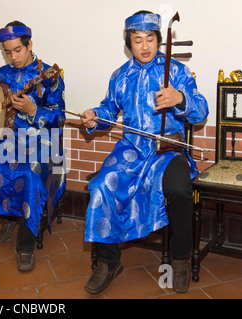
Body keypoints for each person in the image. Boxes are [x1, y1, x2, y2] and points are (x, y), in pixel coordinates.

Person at [81, 10, 208, 293]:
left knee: (179, 188)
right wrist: (93, 116)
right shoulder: (120, 76)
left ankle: (180, 258)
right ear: (129, 43)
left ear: (158, 40)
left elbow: (201, 110)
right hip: (132, 149)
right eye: (137, 40)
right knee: (101, 185)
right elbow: (108, 110)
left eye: (150, 38)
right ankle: (109, 261)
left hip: (168, 148)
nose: (145, 46)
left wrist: (180, 98)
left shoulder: (175, 71)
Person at [0, 21, 66, 272]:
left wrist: (33, 110)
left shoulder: (49, 76)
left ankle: (25, 244)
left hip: (42, 140)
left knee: (30, 173)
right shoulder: (3, 73)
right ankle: (7, 211)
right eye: (7, 52)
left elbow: (60, 117)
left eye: (18, 50)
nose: (13, 57)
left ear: (29, 44)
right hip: (9, 139)